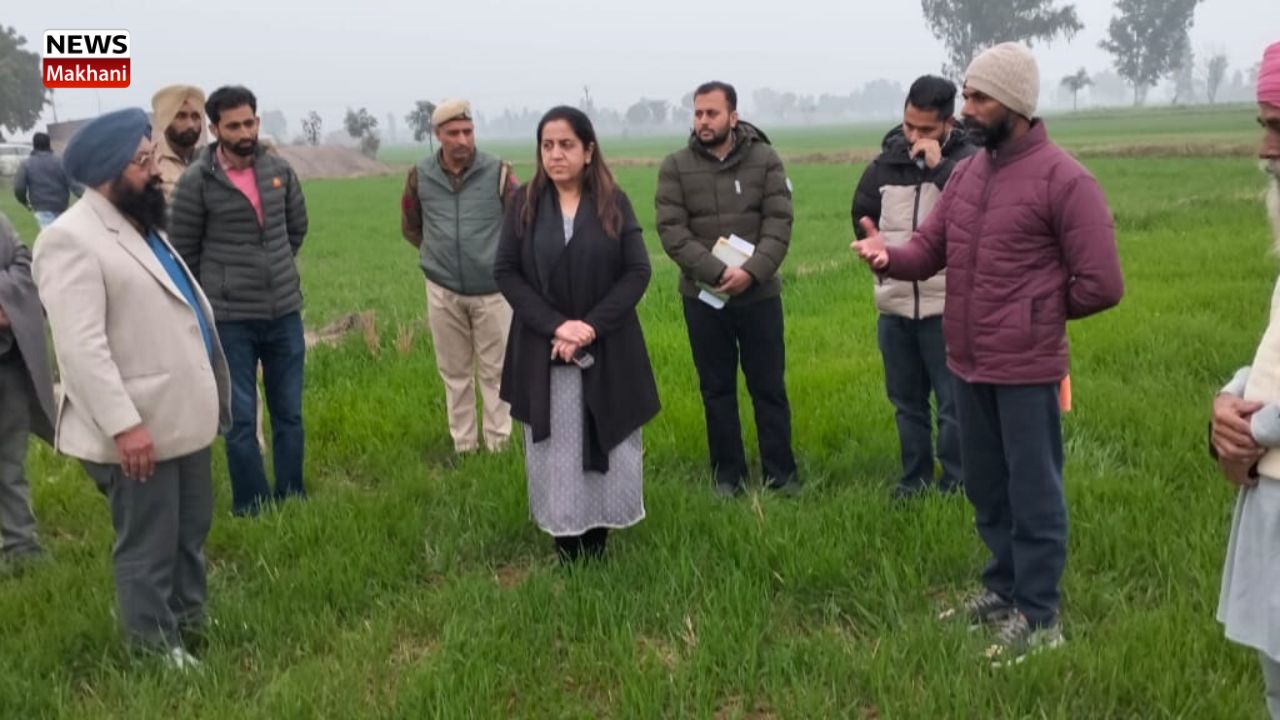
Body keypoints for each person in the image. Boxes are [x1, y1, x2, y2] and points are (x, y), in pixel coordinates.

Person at [853, 43, 1124, 664]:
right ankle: (1003, 589)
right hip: (967, 360)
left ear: (1016, 103)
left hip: (1026, 369)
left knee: (1034, 491)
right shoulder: (969, 175)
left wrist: (1033, 315)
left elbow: (1102, 284)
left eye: (979, 98)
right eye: (967, 95)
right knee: (987, 487)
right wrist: (889, 257)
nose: (967, 109)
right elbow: (929, 250)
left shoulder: (1065, 180)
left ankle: (1040, 614)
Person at [31, 108, 230, 667]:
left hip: (178, 417)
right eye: (143, 162)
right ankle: (153, 648)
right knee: (149, 542)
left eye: (152, 157)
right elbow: (80, 349)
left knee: (189, 530)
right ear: (106, 171)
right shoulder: (70, 240)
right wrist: (125, 425)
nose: (156, 170)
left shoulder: (141, 223)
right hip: (137, 428)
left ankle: (189, 622)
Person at [494, 106, 659, 562]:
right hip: (543, 350)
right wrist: (556, 324)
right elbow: (506, 272)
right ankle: (565, 542)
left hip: (606, 348)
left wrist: (589, 327)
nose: (555, 154)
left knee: (605, 437)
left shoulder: (613, 202)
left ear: (588, 151)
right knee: (559, 451)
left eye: (566, 145)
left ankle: (598, 540)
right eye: (547, 145)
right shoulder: (524, 203)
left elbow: (637, 271)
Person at [170, 85, 309, 517]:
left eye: (249, 123)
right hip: (231, 320)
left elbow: (296, 229)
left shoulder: (280, 171)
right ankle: (251, 504)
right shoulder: (198, 180)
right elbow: (183, 250)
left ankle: (292, 493)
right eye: (233, 126)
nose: (245, 132)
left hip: (283, 312)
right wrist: (221, 288)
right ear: (214, 129)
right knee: (241, 418)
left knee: (289, 412)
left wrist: (273, 269)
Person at [655, 80, 799, 498]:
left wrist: (752, 272)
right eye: (698, 113)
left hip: (759, 296)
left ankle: (781, 474)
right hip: (704, 297)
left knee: (768, 387)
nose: (703, 121)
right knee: (716, 390)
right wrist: (716, 272)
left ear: (733, 117)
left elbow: (778, 222)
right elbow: (671, 230)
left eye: (712, 113)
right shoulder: (675, 166)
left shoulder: (765, 159)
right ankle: (727, 475)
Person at [851, 75, 975, 501]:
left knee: (953, 406)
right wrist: (873, 249)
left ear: (948, 124)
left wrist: (940, 168)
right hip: (895, 305)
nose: (914, 137)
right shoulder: (883, 166)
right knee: (906, 404)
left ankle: (956, 483)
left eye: (926, 129)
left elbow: (981, 211)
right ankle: (915, 481)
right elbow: (862, 215)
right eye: (909, 126)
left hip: (948, 307)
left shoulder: (970, 163)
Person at [1211, 39, 1280, 720]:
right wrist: (1231, 400)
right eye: (1264, 125)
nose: (1265, 151)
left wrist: (1253, 428)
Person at [400, 99, 518, 455]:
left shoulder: (499, 172)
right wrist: (439, 258)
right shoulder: (420, 175)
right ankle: (464, 445)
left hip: (493, 291)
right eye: (453, 133)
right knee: (454, 372)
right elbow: (411, 225)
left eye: (468, 131)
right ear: (438, 135)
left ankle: (498, 444)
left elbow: (520, 224)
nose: (463, 140)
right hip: (443, 289)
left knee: (497, 371)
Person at [0, 211, 55, 572]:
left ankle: (20, 546)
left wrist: (6, 301)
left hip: (8, 360)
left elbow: (23, 261)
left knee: (9, 459)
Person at [151, 85, 207, 201]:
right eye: (181, 116)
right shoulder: (150, 162)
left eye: (195, 117)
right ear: (164, 121)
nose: (191, 124)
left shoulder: (212, 159)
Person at [13, 133, 77, 230]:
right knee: (64, 234)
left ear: (34, 145)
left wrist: (25, 202)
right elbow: (74, 184)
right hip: (61, 206)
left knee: (49, 236)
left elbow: (19, 188)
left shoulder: (26, 164)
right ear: (49, 144)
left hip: (42, 208)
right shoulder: (61, 161)